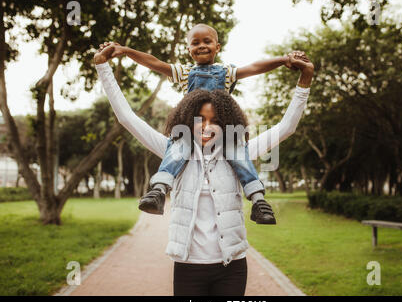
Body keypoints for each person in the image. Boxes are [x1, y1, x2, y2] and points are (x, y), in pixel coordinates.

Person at [94, 44, 314, 296]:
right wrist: (103, 67)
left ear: (228, 124)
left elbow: (286, 127)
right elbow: (126, 117)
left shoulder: (239, 153)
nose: (207, 127)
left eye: (216, 121)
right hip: (188, 267)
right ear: (187, 121)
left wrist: (305, 79)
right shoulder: (172, 152)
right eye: (200, 119)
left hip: (232, 267)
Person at [98, 23, 302, 225]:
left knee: (240, 155)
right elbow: (154, 63)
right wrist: (125, 51)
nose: (201, 45)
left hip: (225, 130)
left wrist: (284, 60)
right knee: (177, 149)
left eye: (207, 41)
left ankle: (258, 200)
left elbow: (255, 67)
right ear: (188, 49)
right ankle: (159, 190)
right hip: (189, 129)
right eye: (195, 43)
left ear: (217, 47)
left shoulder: (227, 72)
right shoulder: (184, 72)